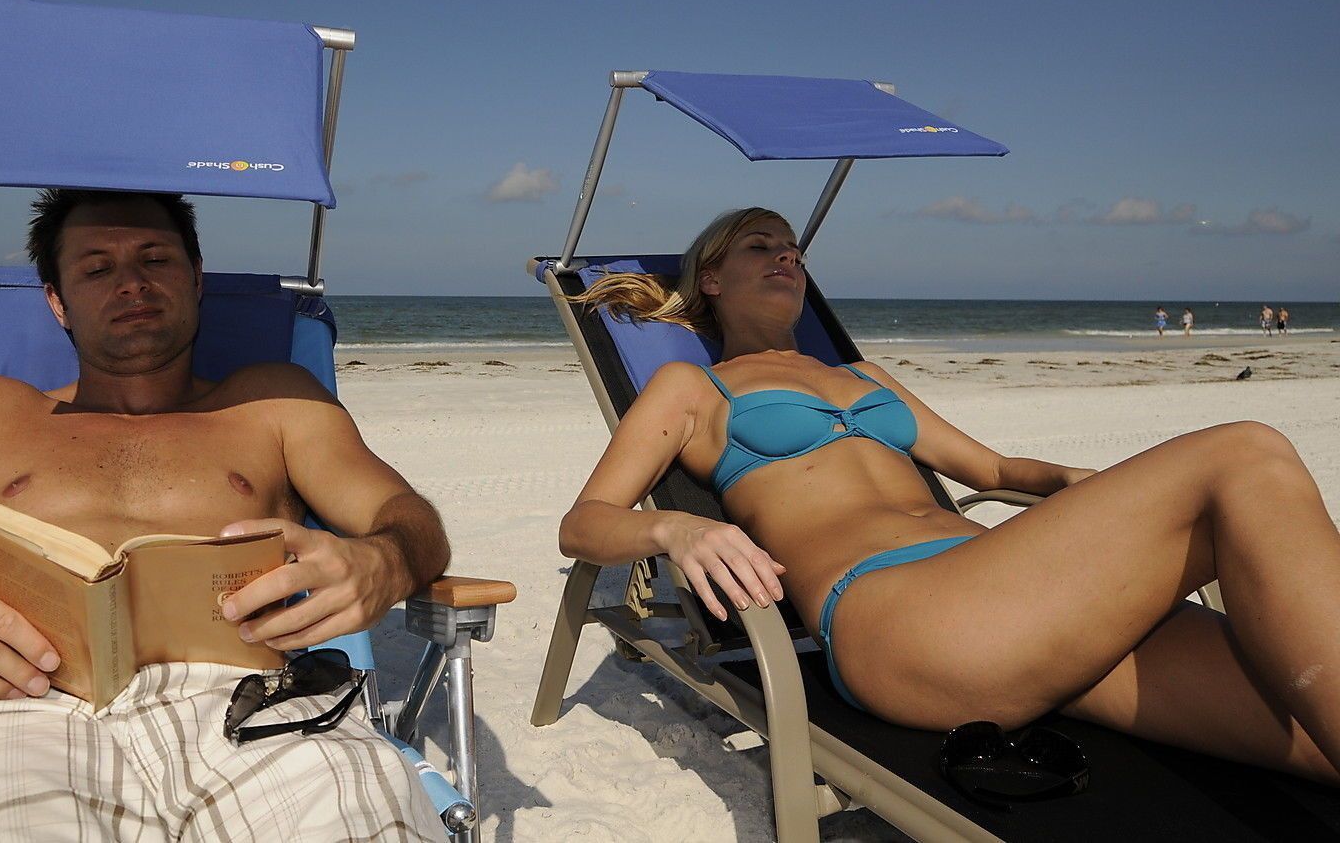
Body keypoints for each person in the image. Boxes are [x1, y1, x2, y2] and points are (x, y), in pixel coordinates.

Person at [0, 190, 450, 841]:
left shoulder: (275, 403)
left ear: (196, 278)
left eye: (155, 259)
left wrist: (385, 559)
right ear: (57, 301)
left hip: (252, 707)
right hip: (4, 700)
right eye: (97, 268)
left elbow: (408, 519)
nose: (131, 283)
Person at [559, 207, 1340, 784]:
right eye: (760, 245)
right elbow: (584, 522)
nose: (785, 255)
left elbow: (992, 470)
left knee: (1310, 727)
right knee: (1248, 453)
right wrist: (677, 531)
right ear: (711, 279)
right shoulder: (691, 386)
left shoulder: (865, 377)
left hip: (1014, 595)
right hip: (898, 614)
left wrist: (1079, 484)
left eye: (793, 248)